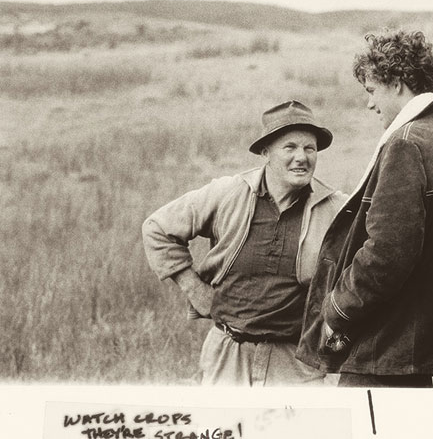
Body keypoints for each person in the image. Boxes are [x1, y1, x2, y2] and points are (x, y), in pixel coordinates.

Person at [296, 30, 433, 388]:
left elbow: (388, 252)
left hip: (381, 354)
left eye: (371, 90)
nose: (370, 105)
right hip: (411, 353)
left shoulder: (406, 144)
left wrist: (336, 310)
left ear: (397, 83)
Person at [142, 100, 347, 386]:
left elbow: (368, 266)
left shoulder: (337, 209)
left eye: (309, 148)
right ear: (266, 152)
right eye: (290, 147)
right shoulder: (229, 193)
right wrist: (193, 288)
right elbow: (157, 228)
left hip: (296, 363)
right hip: (227, 352)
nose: (301, 157)